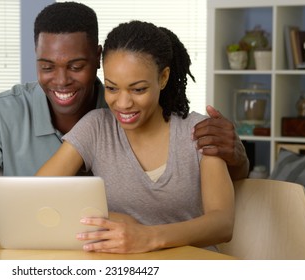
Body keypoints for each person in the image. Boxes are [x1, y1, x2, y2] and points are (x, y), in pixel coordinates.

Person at [0, 2, 245, 235]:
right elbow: (25, 200)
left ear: (97, 59)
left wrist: (238, 156)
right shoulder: (94, 124)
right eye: (46, 66)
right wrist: (97, 218)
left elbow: (220, 216)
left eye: (75, 66)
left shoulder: (189, 128)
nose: (60, 80)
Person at [36, 20, 234, 254]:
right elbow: (36, 195)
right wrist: (108, 217)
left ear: (163, 78)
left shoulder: (199, 131)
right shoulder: (96, 128)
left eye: (138, 89)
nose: (123, 103)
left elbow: (222, 223)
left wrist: (149, 237)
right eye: (111, 88)